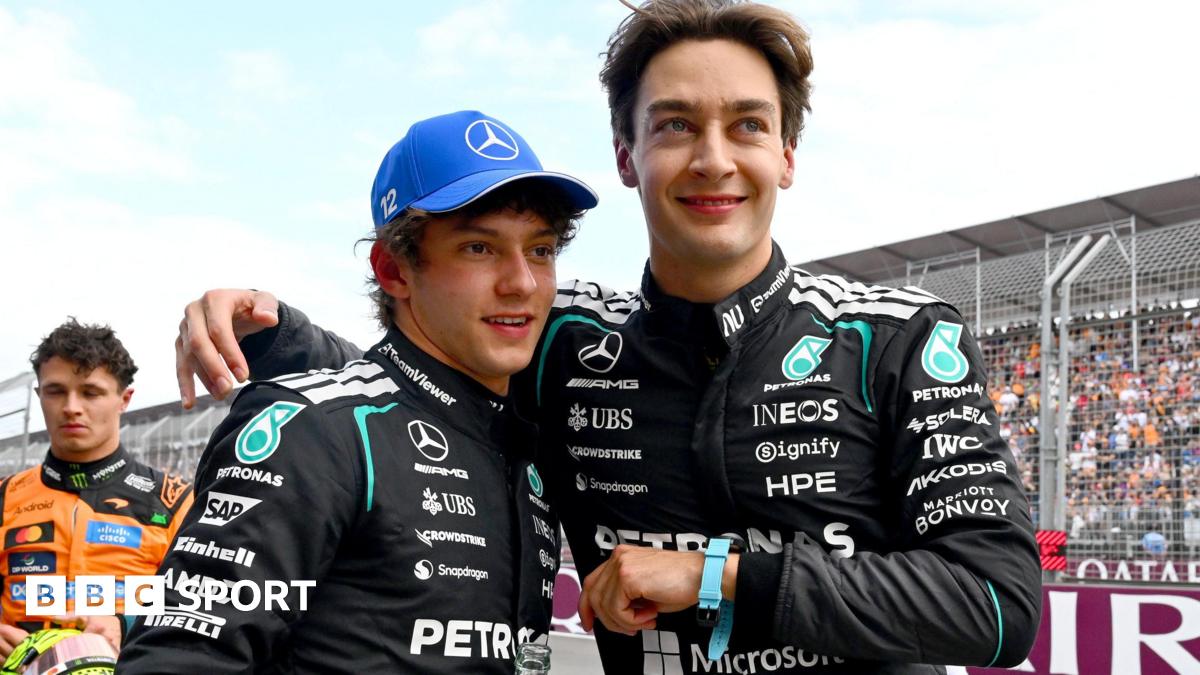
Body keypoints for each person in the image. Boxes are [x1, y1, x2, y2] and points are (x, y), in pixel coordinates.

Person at [173, 1, 1041, 672]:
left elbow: (1000, 604)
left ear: (787, 154)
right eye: (673, 125)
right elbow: (426, 378)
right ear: (626, 157)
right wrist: (279, 335)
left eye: (747, 123)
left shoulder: (894, 337)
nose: (712, 158)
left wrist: (718, 576)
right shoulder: (568, 341)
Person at [119, 110, 598, 673]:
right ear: (394, 270)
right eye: (479, 248)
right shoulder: (310, 429)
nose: (521, 282)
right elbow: (178, 661)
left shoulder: (521, 437)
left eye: (540, 250)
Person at [0, 319, 194, 656]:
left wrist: (125, 623)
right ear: (39, 395)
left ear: (124, 399)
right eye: (56, 390)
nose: (71, 406)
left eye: (91, 392)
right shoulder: (5, 497)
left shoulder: (175, 500)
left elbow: (210, 604)